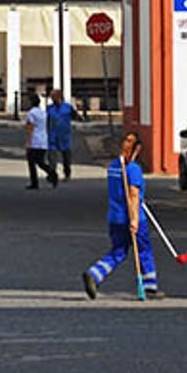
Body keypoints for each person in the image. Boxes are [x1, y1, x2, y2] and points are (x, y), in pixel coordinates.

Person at [83, 131, 159, 300]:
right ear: (137, 149)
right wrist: (134, 219)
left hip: (115, 217)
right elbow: (132, 195)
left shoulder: (113, 167)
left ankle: (95, 274)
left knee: (118, 251)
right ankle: (149, 285)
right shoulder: (133, 170)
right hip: (133, 216)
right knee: (144, 250)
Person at [25, 92, 57, 189]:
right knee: (40, 162)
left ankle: (35, 182)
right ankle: (52, 173)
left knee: (32, 162)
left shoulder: (31, 113)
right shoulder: (43, 113)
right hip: (43, 139)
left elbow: (30, 128)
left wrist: (28, 142)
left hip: (35, 141)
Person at [47, 88, 77, 180]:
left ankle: (67, 173)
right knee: (52, 156)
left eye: (54, 97)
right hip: (52, 135)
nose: (53, 99)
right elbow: (47, 121)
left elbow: (75, 116)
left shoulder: (68, 107)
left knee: (66, 157)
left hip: (65, 135)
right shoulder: (49, 108)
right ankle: (52, 173)